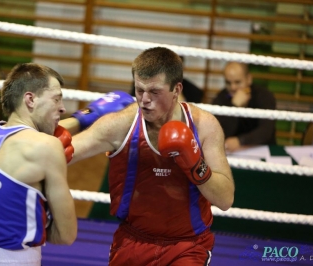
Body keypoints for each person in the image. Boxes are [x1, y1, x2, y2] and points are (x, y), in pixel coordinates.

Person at [65, 47, 235, 265]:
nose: (144, 100)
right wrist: (79, 119)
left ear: (177, 89)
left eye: (154, 92)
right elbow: (62, 153)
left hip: (188, 246)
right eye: (139, 90)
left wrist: (195, 165)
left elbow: (225, 200)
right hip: (132, 242)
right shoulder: (121, 124)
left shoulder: (204, 126)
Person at [0, 63, 78, 266]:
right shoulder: (47, 147)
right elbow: (66, 235)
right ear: (30, 99)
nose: (62, 108)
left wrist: (85, 118)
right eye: (56, 99)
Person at [212, 61, 276, 153]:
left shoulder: (264, 96)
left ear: (249, 79)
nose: (233, 87)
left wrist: (240, 141)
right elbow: (220, 133)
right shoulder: (221, 98)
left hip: (262, 151)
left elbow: (266, 131)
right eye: (228, 83)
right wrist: (234, 107)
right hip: (232, 154)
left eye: (237, 82)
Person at [130, 56, 204, 103]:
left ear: (183, 69)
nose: (172, 73)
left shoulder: (195, 92)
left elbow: (193, 118)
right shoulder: (143, 84)